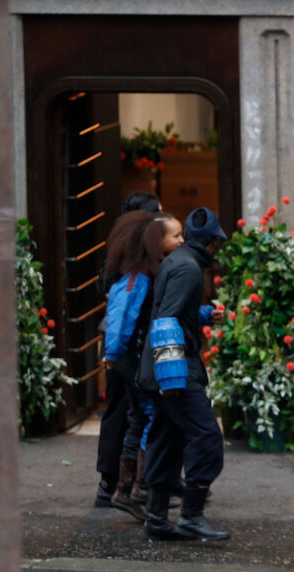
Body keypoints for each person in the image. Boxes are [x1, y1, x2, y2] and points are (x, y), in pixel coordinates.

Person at [137, 207, 230, 542]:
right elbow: (167, 319)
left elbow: (170, 310)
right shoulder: (189, 268)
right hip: (175, 369)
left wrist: (203, 314)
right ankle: (191, 516)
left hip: (161, 367)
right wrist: (171, 379)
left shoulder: (177, 262)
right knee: (207, 437)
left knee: (168, 438)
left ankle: (157, 519)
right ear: (212, 243)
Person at [102, 210, 184, 520]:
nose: (182, 240)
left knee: (140, 419)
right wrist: (113, 355)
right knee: (148, 418)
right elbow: (120, 319)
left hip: (134, 359)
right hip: (133, 360)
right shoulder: (137, 280)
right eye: (175, 235)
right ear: (154, 242)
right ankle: (138, 488)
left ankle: (130, 490)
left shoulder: (147, 275)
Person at [94, 191, 163, 508]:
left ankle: (118, 484)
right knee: (132, 411)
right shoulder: (135, 255)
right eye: (157, 212)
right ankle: (121, 484)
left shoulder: (121, 247)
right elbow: (122, 305)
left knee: (126, 411)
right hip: (124, 345)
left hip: (120, 343)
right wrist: (114, 352)